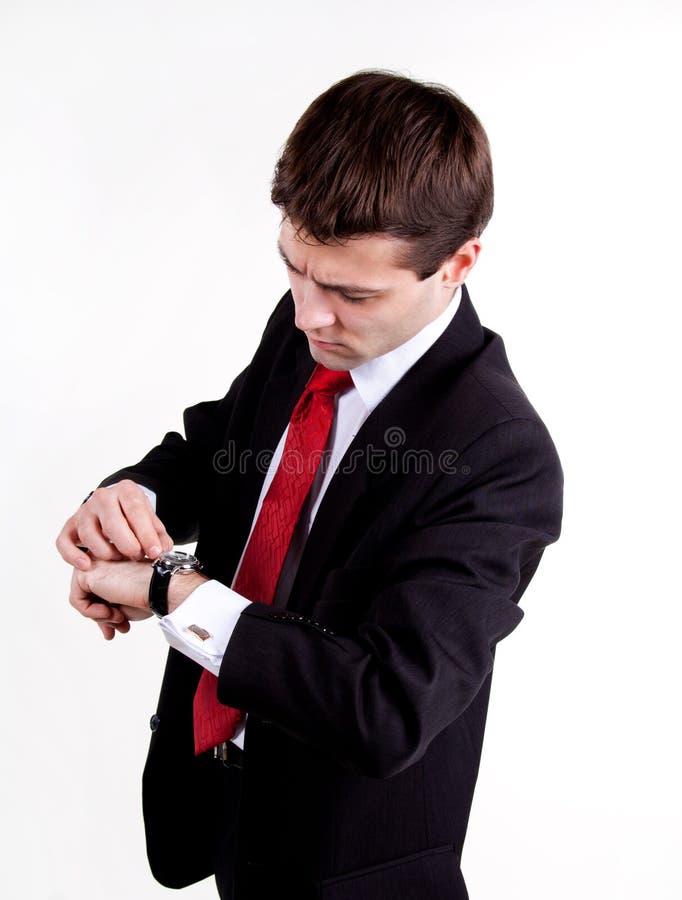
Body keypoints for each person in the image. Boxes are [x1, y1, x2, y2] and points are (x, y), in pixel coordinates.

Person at [56, 70, 563, 899]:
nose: (307, 314)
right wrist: (134, 502)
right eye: (294, 268)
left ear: (458, 263)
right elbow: (226, 446)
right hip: (222, 813)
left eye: (350, 292)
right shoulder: (314, 326)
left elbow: (388, 705)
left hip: (350, 869)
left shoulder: (501, 455)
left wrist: (168, 590)